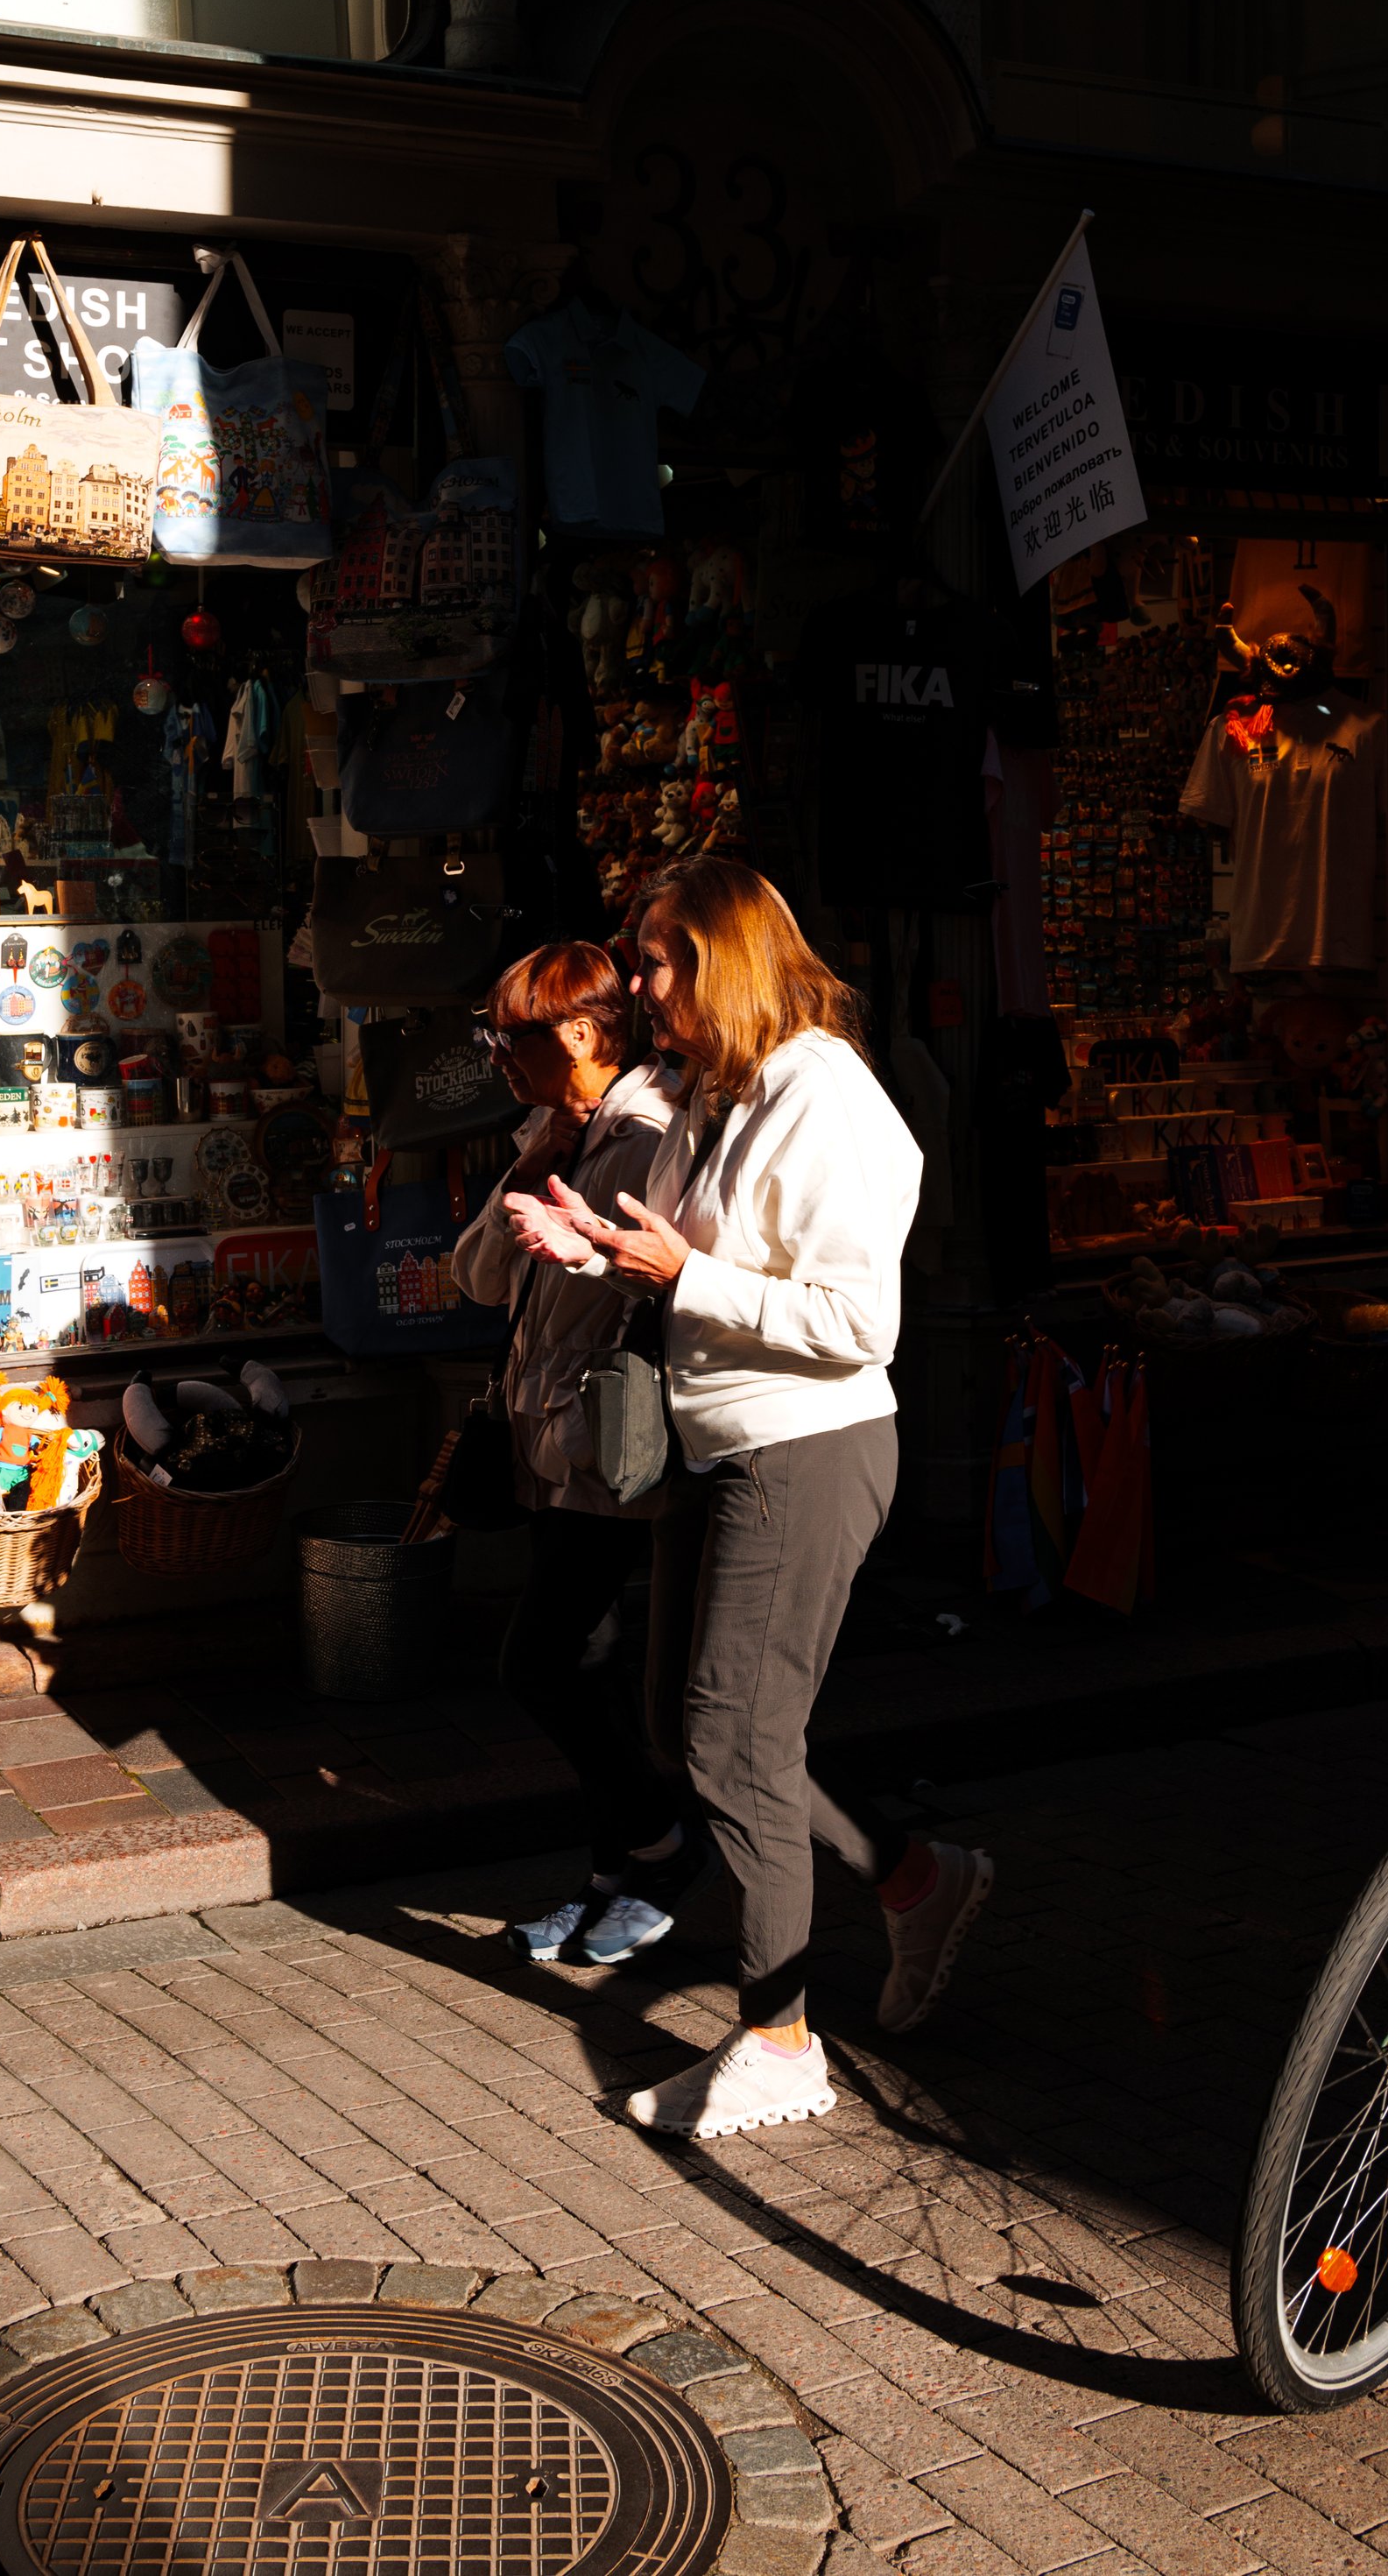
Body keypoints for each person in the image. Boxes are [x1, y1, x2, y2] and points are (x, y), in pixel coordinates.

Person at [508, 859, 993, 2140]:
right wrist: (601, 1250)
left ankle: (778, 2035)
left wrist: (682, 1272)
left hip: (805, 1447)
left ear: (723, 957)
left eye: (659, 960)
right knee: (696, 1728)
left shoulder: (828, 1096)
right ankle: (914, 1876)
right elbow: (692, 1267)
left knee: (727, 1741)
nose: (641, 985)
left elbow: (856, 1323)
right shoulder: (726, 1092)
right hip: (719, 1448)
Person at [453, 940, 707, 1965]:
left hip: (610, 1439)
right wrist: (530, 1159)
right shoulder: (559, 1127)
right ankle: (614, 1875)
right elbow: (476, 1278)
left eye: (508, 1039)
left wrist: (592, 1244)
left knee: (546, 1660)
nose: (496, 1059)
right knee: (585, 1662)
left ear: (583, 1035)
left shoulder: (651, 1136)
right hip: (547, 1432)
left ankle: (660, 1845)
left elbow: (668, 1280)